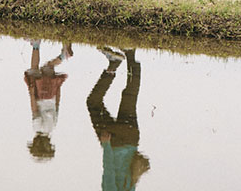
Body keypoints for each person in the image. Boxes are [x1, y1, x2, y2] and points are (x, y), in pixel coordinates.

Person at [87, 47, 150, 190]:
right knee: (93, 103)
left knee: (130, 96)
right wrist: (106, 146)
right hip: (115, 141)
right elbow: (109, 170)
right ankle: (113, 65)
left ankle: (131, 54)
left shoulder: (130, 188)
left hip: (132, 138)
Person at [24, 39, 73, 161]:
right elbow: (35, 109)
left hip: (51, 94)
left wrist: (58, 88)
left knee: (49, 67)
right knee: (34, 70)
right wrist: (31, 92)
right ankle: (36, 44)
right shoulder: (37, 127)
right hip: (40, 95)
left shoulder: (52, 127)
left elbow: (57, 105)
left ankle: (63, 55)